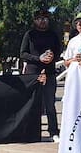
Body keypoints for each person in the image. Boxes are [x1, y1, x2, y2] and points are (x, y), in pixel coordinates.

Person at [19, 11, 61, 140]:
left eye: (45, 18)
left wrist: (52, 56)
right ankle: (30, 131)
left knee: (50, 103)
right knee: (31, 103)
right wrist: (38, 58)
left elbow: (58, 52)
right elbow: (23, 53)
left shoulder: (53, 35)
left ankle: (53, 131)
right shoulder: (29, 34)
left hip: (49, 73)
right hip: (32, 74)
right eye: (39, 19)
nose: (42, 21)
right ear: (35, 21)